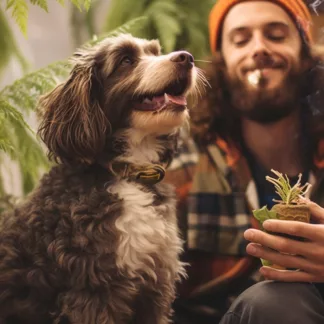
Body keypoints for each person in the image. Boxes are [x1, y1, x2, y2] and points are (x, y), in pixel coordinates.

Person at [165, 1, 324, 323]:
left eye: (277, 35)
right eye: (241, 40)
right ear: (221, 63)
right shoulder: (180, 165)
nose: (259, 49)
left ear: (308, 56)